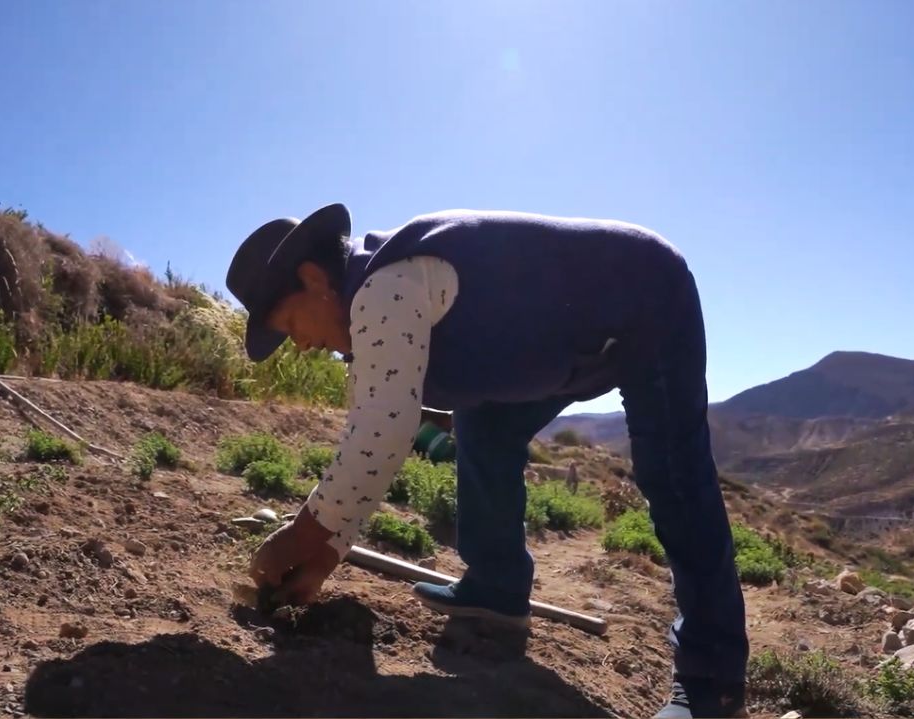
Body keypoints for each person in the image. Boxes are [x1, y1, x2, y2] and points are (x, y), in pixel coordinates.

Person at [227, 204, 749, 718]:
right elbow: (371, 436)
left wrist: (301, 535)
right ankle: (496, 591)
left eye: (290, 323)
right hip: (568, 342)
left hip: (644, 296)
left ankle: (712, 687)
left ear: (315, 278)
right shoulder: (370, 320)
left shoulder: (385, 286)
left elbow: (382, 432)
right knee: (485, 425)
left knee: (673, 473)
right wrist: (327, 553)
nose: (297, 344)